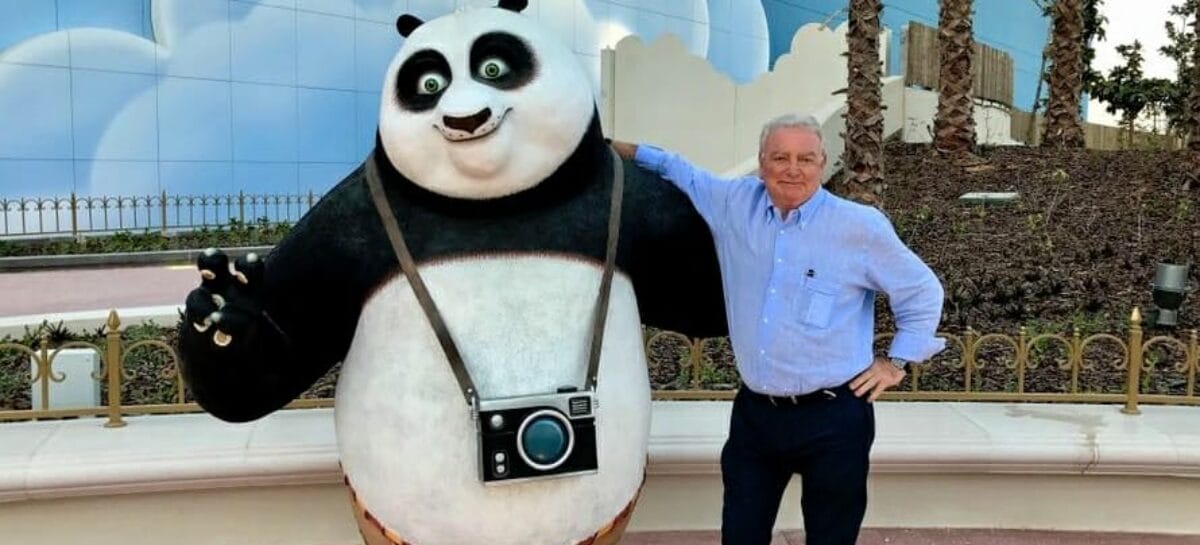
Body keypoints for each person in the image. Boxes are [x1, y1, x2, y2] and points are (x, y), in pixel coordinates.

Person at [611, 113, 945, 545]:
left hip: (835, 416)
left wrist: (896, 361)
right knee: (741, 534)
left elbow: (921, 290)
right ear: (761, 163)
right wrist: (606, 144)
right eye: (780, 158)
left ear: (823, 162)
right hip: (757, 417)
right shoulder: (733, 203)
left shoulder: (858, 227)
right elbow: (679, 169)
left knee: (831, 537)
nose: (793, 169)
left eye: (806, 158)